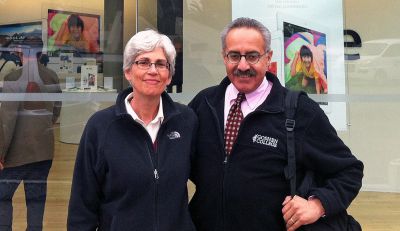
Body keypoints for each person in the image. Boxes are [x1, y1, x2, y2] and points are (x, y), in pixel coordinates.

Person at [188, 17, 363, 231]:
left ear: (268, 57)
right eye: (234, 56)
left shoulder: (299, 111)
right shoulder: (204, 104)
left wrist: (318, 205)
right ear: (224, 57)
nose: (243, 65)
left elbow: (349, 171)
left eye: (252, 56)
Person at [67, 29, 198, 231]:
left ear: (169, 75)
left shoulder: (186, 121)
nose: (153, 70)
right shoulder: (100, 126)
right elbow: (82, 206)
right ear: (128, 71)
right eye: (143, 62)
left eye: (161, 64)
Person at [0, 40, 62, 231]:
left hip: (16, 154)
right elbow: (56, 110)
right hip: (43, 151)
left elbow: (7, 121)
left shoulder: (13, 78)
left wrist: (0, 153)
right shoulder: (51, 76)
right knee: (36, 199)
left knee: (2, 197)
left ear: (21, 52)